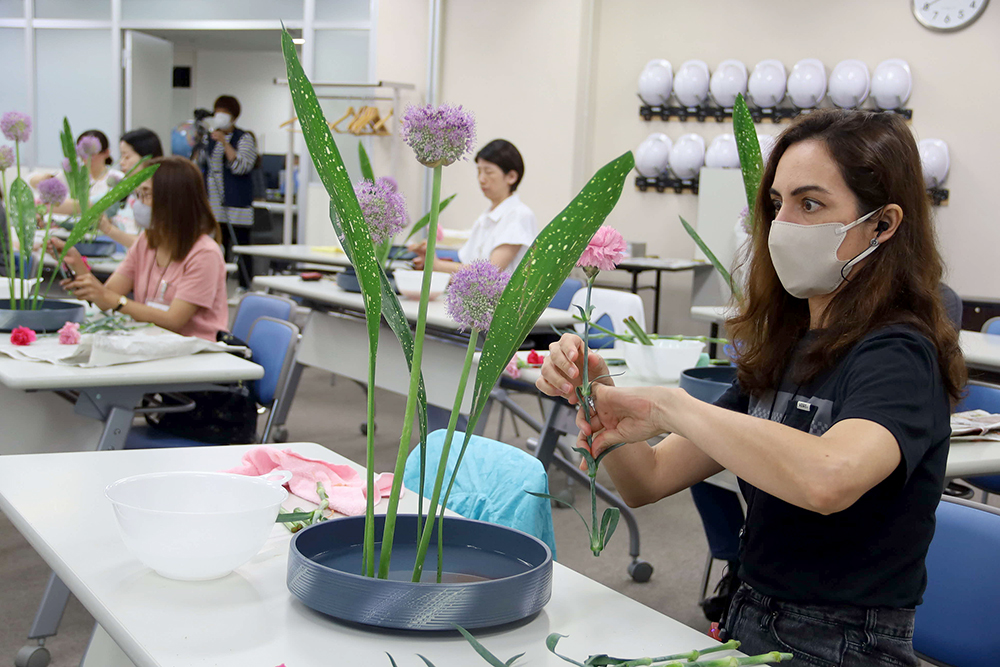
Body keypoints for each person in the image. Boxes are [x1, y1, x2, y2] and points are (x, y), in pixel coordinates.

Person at [537, 110, 965, 666]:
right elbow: (649, 479)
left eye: (810, 204)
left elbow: (828, 478)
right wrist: (599, 398)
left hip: (840, 643)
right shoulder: (788, 345)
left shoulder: (900, 353)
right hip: (749, 615)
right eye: (776, 204)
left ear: (882, 225)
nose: (780, 224)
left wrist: (670, 405)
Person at [54, 156, 228, 341]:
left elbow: (174, 320)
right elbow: (107, 296)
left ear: (172, 199)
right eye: (138, 194)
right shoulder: (147, 241)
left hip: (195, 354)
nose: (138, 203)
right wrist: (76, 264)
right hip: (154, 342)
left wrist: (115, 300)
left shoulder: (204, 253)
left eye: (145, 194)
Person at [411, 139, 536, 273]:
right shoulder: (486, 217)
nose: (481, 179)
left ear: (511, 177)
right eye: (479, 171)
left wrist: (438, 265)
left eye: (488, 172)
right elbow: (466, 265)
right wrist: (429, 261)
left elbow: (489, 273)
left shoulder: (519, 215)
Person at [192, 94, 258, 289]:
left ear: (234, 116)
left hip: (237, 204)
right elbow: (199, 164)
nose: (220, 116)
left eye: (225, 113)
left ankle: (244, 286)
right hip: (214, 204)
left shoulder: (244, 138)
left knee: (241, 247)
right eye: (218, 111)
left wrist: (224, 142)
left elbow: (241, 166)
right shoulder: (209, 138)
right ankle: (216, 286)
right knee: (218, 247)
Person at [30, 129, 124, 216]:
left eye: (93, 153)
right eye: (83, 153)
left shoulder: (117, 178)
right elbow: (32, 180)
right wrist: (46, 178)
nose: (88, 158)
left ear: (106, 153)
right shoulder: (73, 174)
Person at [98, 128, 164, 248]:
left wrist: (109, 230)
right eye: (121, 157)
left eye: (127, 157)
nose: (122, 162)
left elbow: (153, 246)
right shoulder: (126, 187)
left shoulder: (163, 193)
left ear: (147, 158)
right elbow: (94, 204)